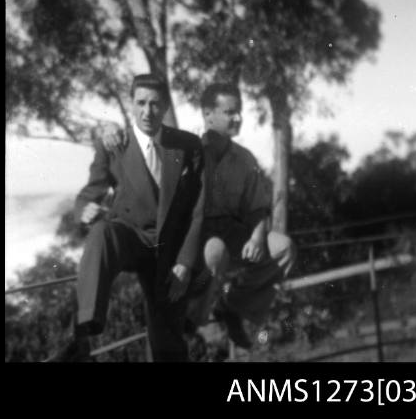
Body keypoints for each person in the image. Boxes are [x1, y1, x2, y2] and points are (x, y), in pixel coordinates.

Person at [102, 83, 296, 351]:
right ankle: (195, 321)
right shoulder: (186, 148)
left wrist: (257, 236)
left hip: (232, 232)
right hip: (193, 237)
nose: (237, 118)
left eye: (238, 112)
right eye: (229, 112)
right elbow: (144, 143)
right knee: (215, 251)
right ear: (208, 115)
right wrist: (109, 128)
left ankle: (234, 307)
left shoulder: (245, 159)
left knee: (283, 247)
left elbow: (258, 208)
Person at [48, 73, 205, 362]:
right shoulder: (114, 144)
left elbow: (198, 208)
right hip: (131, 237)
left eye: (156, 104)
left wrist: (185, 262)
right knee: (101, 233)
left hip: (169, 253)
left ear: (166, 105)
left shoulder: (188, 146)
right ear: (131, 104)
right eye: (141, 103)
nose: (148, 112)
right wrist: (84, 211)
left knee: (166, 337)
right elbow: (88, 194)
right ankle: (85, 330)